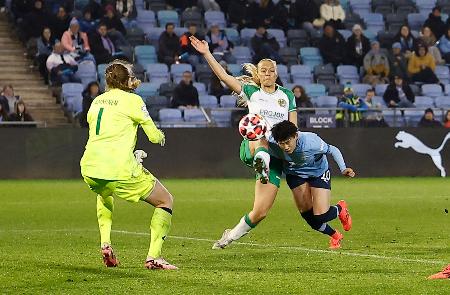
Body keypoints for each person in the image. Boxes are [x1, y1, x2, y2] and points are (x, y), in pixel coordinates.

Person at [189, 36, 299, 250]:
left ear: (276, 73)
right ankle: (261, 161)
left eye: (271, 70)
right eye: (263, 71)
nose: (267, 74)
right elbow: (223, 75)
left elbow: (293, 130)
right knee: (260, 129)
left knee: (260, 212)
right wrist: (206, 53)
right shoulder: (251, 92)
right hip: (252, 146)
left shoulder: (287, 96)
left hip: (275, 157)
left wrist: (292, 147)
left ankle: (229, 236)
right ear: (258, 74)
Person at [80, 59, 177, 270]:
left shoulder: (97, 101)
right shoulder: (133, 101)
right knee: (165, 200)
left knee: (104, 193)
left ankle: (105, 243)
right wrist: (161, 135)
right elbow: (153, 136)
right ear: (127, 80)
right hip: (119, 168)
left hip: (90, 166)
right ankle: (154, 258)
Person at [268, 120, 354, 249]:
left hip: (318, 173)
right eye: (282, 143)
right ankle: (335, 235)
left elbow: (333, 150)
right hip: (294, 174)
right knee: (309, 217)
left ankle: (340, 209)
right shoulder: (272, 142)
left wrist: (343, 168)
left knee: (321, 215)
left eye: (288, 142)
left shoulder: (311, 142)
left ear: (296, 136)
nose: (286, 147)